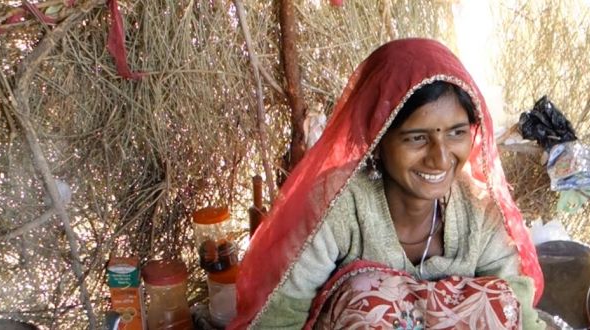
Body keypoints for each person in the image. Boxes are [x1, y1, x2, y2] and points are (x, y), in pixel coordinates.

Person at [230, 38, 545, 329]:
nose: (439, 158)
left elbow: (517, 312)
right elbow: (279, 318)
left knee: (498, 299)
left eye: (456, 133)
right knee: (371, 298)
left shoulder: (478, 210)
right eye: (417, 138)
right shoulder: (335, 207)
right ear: (377, 140)